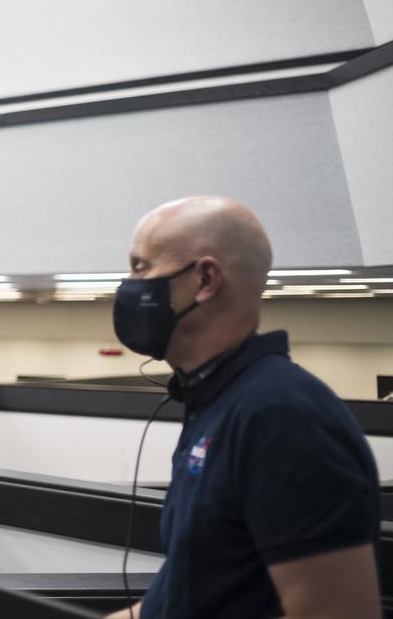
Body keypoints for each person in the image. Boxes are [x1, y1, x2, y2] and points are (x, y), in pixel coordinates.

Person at [107, 197, 380, 619]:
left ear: (204, 280)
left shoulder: (282, 417)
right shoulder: (213, 401)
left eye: (140, 267)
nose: (128, 283)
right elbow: (192, 594)